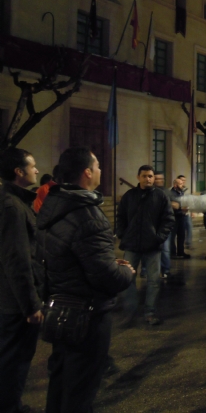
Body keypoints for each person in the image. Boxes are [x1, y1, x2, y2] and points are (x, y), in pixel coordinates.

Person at [37, 147, 134, 412]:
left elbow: (71, 257)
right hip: (86, 317)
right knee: (80, 390)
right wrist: (127, 271)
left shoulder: (53, 205)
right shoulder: (88, 216)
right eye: (99, 166)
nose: (102, 171)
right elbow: (107, 277)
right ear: (87, 172)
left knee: (60, 382)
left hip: (59, 308)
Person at [0, 148, 44, 413]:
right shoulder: (12, 207)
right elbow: (17, 260)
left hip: (11, 298)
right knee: (14, 359)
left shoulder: (15, 202)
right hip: (15, 302)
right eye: (33, 166)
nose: (36, 170)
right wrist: (31, 305)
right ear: (19, 171)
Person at [117, 166, 174, 326]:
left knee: (154, 280)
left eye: (150, 176)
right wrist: (122, 234)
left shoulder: (160, 196)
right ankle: (130, 311)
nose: (148, 179)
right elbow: (120, 216)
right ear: (138, 177)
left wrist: (159, 238)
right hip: (132, 245)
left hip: (152, 246)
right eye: (144, 176)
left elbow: (168, 219)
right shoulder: (129, 196)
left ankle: (150, 312)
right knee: (128, 279)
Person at [153, 173, 173, 278]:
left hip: (164, 225)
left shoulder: (167, 192)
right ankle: (147, 270)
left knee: (165, 249)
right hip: (152, 225)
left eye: (162, 178)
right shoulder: (150, 192)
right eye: (157, 179)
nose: (160, 180)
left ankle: (166, 269)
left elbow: (173, 205)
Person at [169, 177, 190, 259]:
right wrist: (181, 208)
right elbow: (173, 205)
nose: (182, 185)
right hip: (174, 217)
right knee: (172, 236)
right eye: (180, 184)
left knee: (181, 235)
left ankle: (181, 252)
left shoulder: (181, 192)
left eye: (182, 184)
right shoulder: (171, 194)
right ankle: (173, 253)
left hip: (181, 216)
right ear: (175, 185)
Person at [177, 175, 194, 249]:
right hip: (179, 212)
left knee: (189, 227)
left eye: (184, 180)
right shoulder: (174, 190)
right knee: (180, 230)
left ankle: (188, 243)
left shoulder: (186, 190)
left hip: (187, 212)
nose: (183, 182)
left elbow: (190, 200)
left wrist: (192, 211)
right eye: (182, 180)